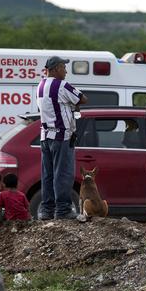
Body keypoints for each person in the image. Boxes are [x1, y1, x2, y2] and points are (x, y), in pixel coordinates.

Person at [37, 56, 88, 220]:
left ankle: (46, 210)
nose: (66, 71)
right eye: (64, 67)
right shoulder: (61, 85)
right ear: (56, 68)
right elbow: (83, 98)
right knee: (63, 173)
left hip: (45, 136)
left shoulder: (41, 85)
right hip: (61, 136)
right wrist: (72, 105)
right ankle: (63, 209)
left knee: (48, 174)